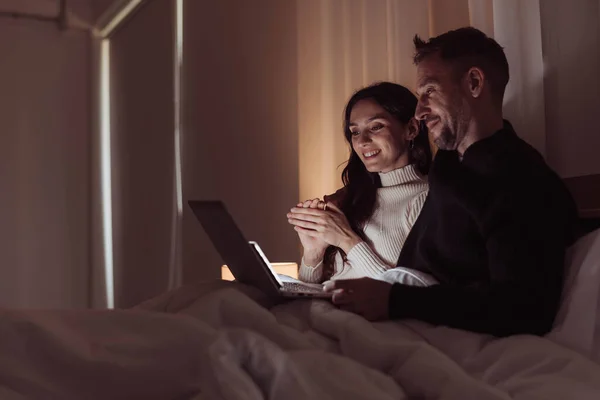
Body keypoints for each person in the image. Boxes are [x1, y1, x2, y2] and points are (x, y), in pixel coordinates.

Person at [324, 27, 579, 337]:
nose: (419, 112)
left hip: (438, 331)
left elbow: (523, 309)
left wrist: (394, 300)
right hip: (404, 318)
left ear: (473, 83)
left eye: (429, 92)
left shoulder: (521, 179)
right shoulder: (448, 167)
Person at [287, 82, 435, 286]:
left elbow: (416, 296)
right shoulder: (351, 199)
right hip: (327, 315)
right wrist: (313, 255)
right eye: (355, 132)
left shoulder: (427, 198)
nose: (362, 141)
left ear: (411, 129)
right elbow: (313, 294)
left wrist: (347, 240)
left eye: (376, 127)